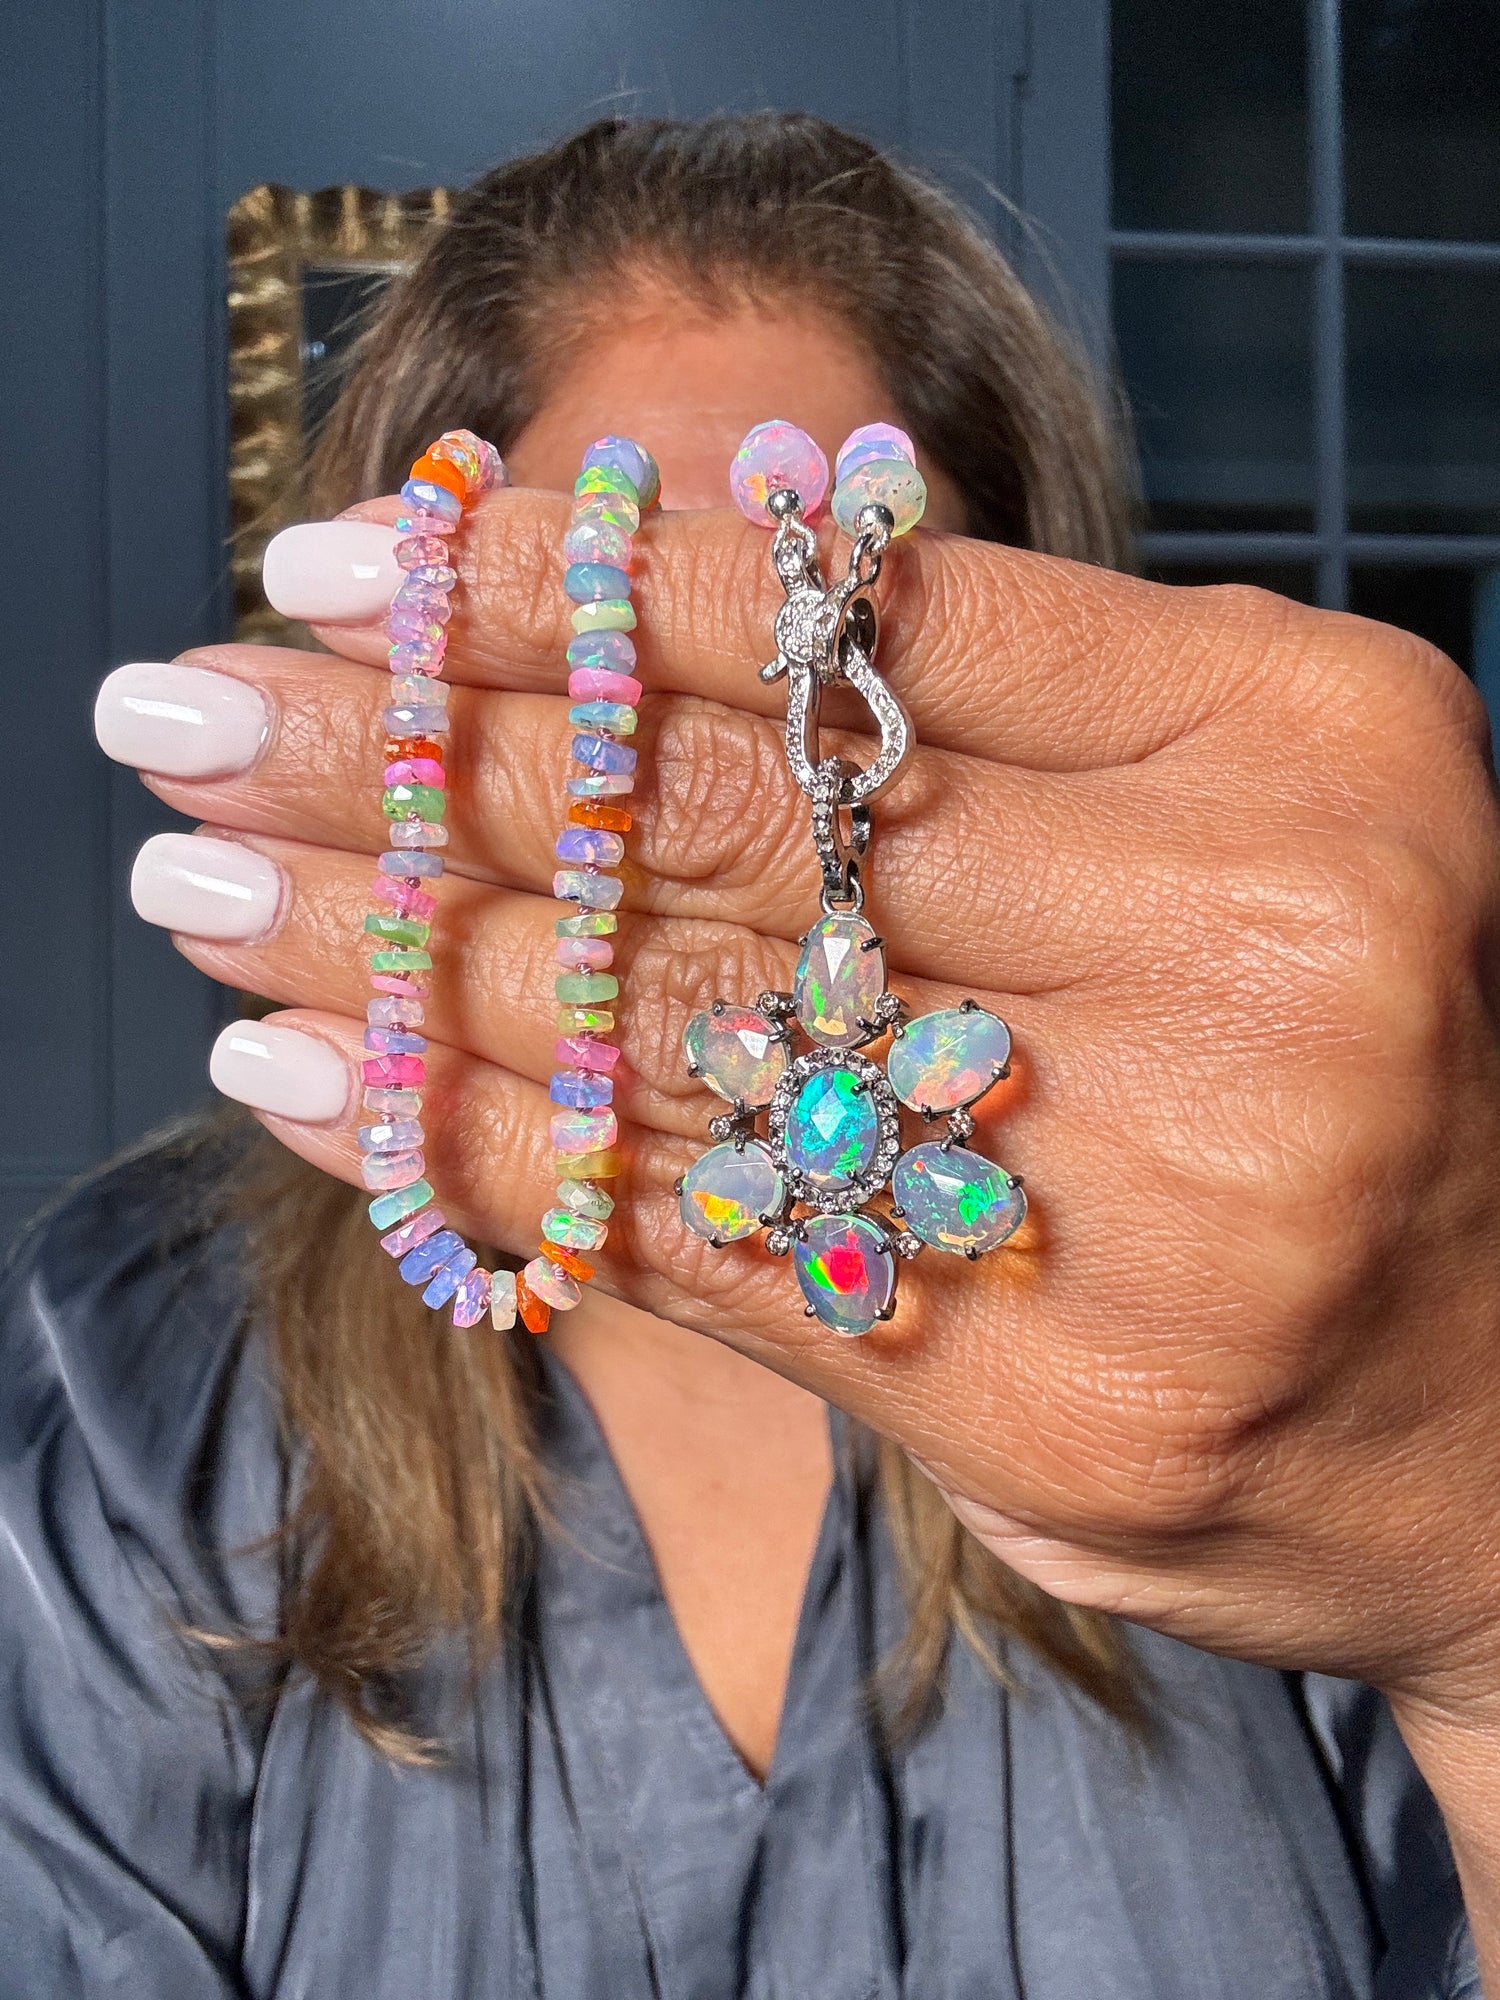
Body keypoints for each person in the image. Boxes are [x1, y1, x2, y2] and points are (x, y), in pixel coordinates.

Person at [9, 111, 1497, 1996]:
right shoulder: (141, 1372)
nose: (731, 750)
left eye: (828, 618)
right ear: (430, 683)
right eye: (605, 619)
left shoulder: (1277, 1343)